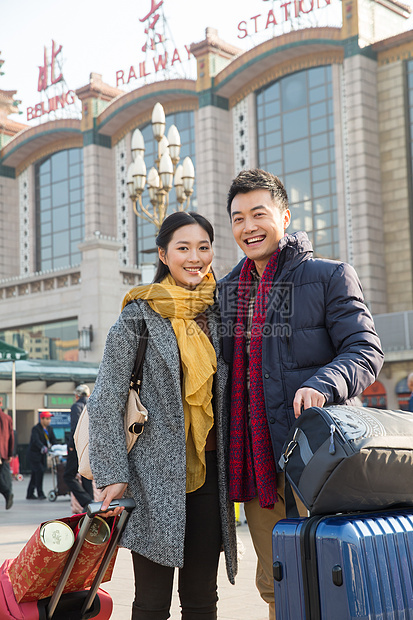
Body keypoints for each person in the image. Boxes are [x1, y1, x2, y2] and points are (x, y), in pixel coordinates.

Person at [218, 168, 384, 619]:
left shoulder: (329, 276)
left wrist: (321, 383)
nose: (248, 227)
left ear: (284, 216)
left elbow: (366, 350)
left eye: (259, 213)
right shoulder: (228, 292)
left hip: (318, 458)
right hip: (256, 464)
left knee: (333, 576)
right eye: (237, 218)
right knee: (279, 582)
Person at [87, 211, 238, 620]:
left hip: (209, 478)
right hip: (152, 482)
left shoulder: (221, 314)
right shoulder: (138, 316)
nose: (195, 257)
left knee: (202, 600)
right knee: (152, 603)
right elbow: (105, 400)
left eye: (203, 247)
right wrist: (113, 473)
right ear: (163, 254)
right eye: (183, 248)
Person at [63, 384, 94, 511]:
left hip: (77, 446)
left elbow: (75, 427)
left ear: (76, 395)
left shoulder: (76, 406)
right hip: (90, 446)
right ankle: (91, 504)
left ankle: (86, 501)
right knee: (86, 474)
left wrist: (71, 445)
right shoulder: (92, 404)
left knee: (68, 476)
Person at [26, 411, 57, 500]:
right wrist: (43, 447)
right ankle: (40, 493)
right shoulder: (36, 429)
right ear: (42, 419)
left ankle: (30, 493)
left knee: (35, 473)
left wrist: (57, 447)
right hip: (34, 454)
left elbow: (53, 440)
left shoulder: (49, 429)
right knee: (39, 471)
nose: (49, 421)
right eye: (47, 419)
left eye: (49, 419)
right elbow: (36, 441)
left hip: (43, 455)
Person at [0, 407, 14, 510]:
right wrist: (9, 453)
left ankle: (7, 492)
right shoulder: (7, 418)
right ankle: (7, 492)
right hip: (3, 452)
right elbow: (11, 437)